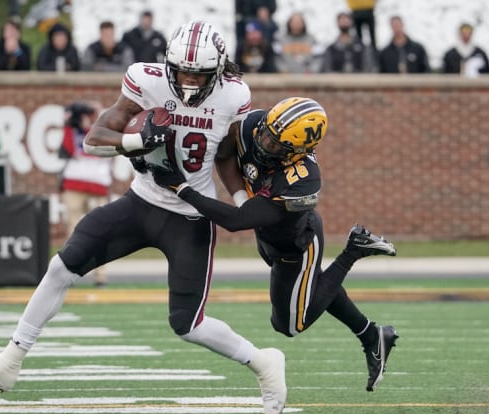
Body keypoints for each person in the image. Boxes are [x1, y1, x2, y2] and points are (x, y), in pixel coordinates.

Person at [0, 20, 288, 414]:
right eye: (182, 71)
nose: (189, 82)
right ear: (168, 64)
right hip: (140, 202)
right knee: (62, 266)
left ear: (217, 71)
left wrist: (239, 201)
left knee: (187, 324)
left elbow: (226, 156)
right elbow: (96, 136)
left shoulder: (234, 95)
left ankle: (264, 361)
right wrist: (134, 142)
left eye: (199, 74)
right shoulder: (145, 80)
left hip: (190, 216)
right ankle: (9, 361)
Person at [151, 97, 399, 392]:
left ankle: (353, 251)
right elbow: (225, 155)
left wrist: (182, 188)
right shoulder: (254, 125)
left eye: (274, 143)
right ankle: (372, 335)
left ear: (299, 151)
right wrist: (240, 193)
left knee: (291, 325)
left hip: (296, 247)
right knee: (313, 287)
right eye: (266, 134)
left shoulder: (303, 181)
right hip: (270, 237)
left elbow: (236, 221)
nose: (264, 143)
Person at [58, 100, 126, 286]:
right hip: (74, 183)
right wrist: (71, 122)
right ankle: (68, 273)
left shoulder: (107, 126)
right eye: (88, 112)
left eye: (94, 112)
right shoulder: (73, 129)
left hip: (98, 184)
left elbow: (110, 145)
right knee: (73, 231)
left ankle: (100, 274)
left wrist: (92, 125)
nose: (90, 115)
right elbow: (67, 149)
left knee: (101, 232)